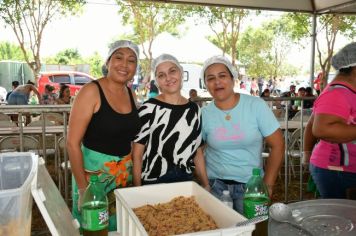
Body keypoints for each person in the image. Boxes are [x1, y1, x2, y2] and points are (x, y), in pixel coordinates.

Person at [67, 40, 141, 231]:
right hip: (93, 179)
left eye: (131, 60)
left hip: (122, 176)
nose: (124, 64)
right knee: (94, 228)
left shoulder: (131, 94)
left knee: (119, 227)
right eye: (118, 57)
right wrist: (83, 190)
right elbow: (72, 144)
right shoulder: (91, 91)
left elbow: (131, 139)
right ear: (108, 62)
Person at [197, 55, 284, 214]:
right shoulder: (204, 114)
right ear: (206, 84)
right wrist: (205, 183)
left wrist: (268, 185)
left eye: (222, 76)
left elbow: (277, 145)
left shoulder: (255, 105)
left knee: (252, 230)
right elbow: (197, 151)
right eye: (210, 78)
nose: (217, 82)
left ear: (233, 78)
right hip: (216, 187)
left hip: (250, 188)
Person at [132, 54, 209, 189]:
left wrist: (206, 184)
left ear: (180, 72)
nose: (168, 78)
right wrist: (137, 189)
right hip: (154, 182)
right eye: (161, 75)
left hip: (186, 181)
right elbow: (137, 154)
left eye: (172, 71)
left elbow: (197, 152)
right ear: (157, 82)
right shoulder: (148, 108)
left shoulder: (194, 110)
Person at [303, 42, 356, 199]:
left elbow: (312, 122)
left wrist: (306, 153)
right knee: (341, 218)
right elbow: (321, 129)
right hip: (337, 170)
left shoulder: (345, 92)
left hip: (341, 169)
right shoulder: (337, 93)